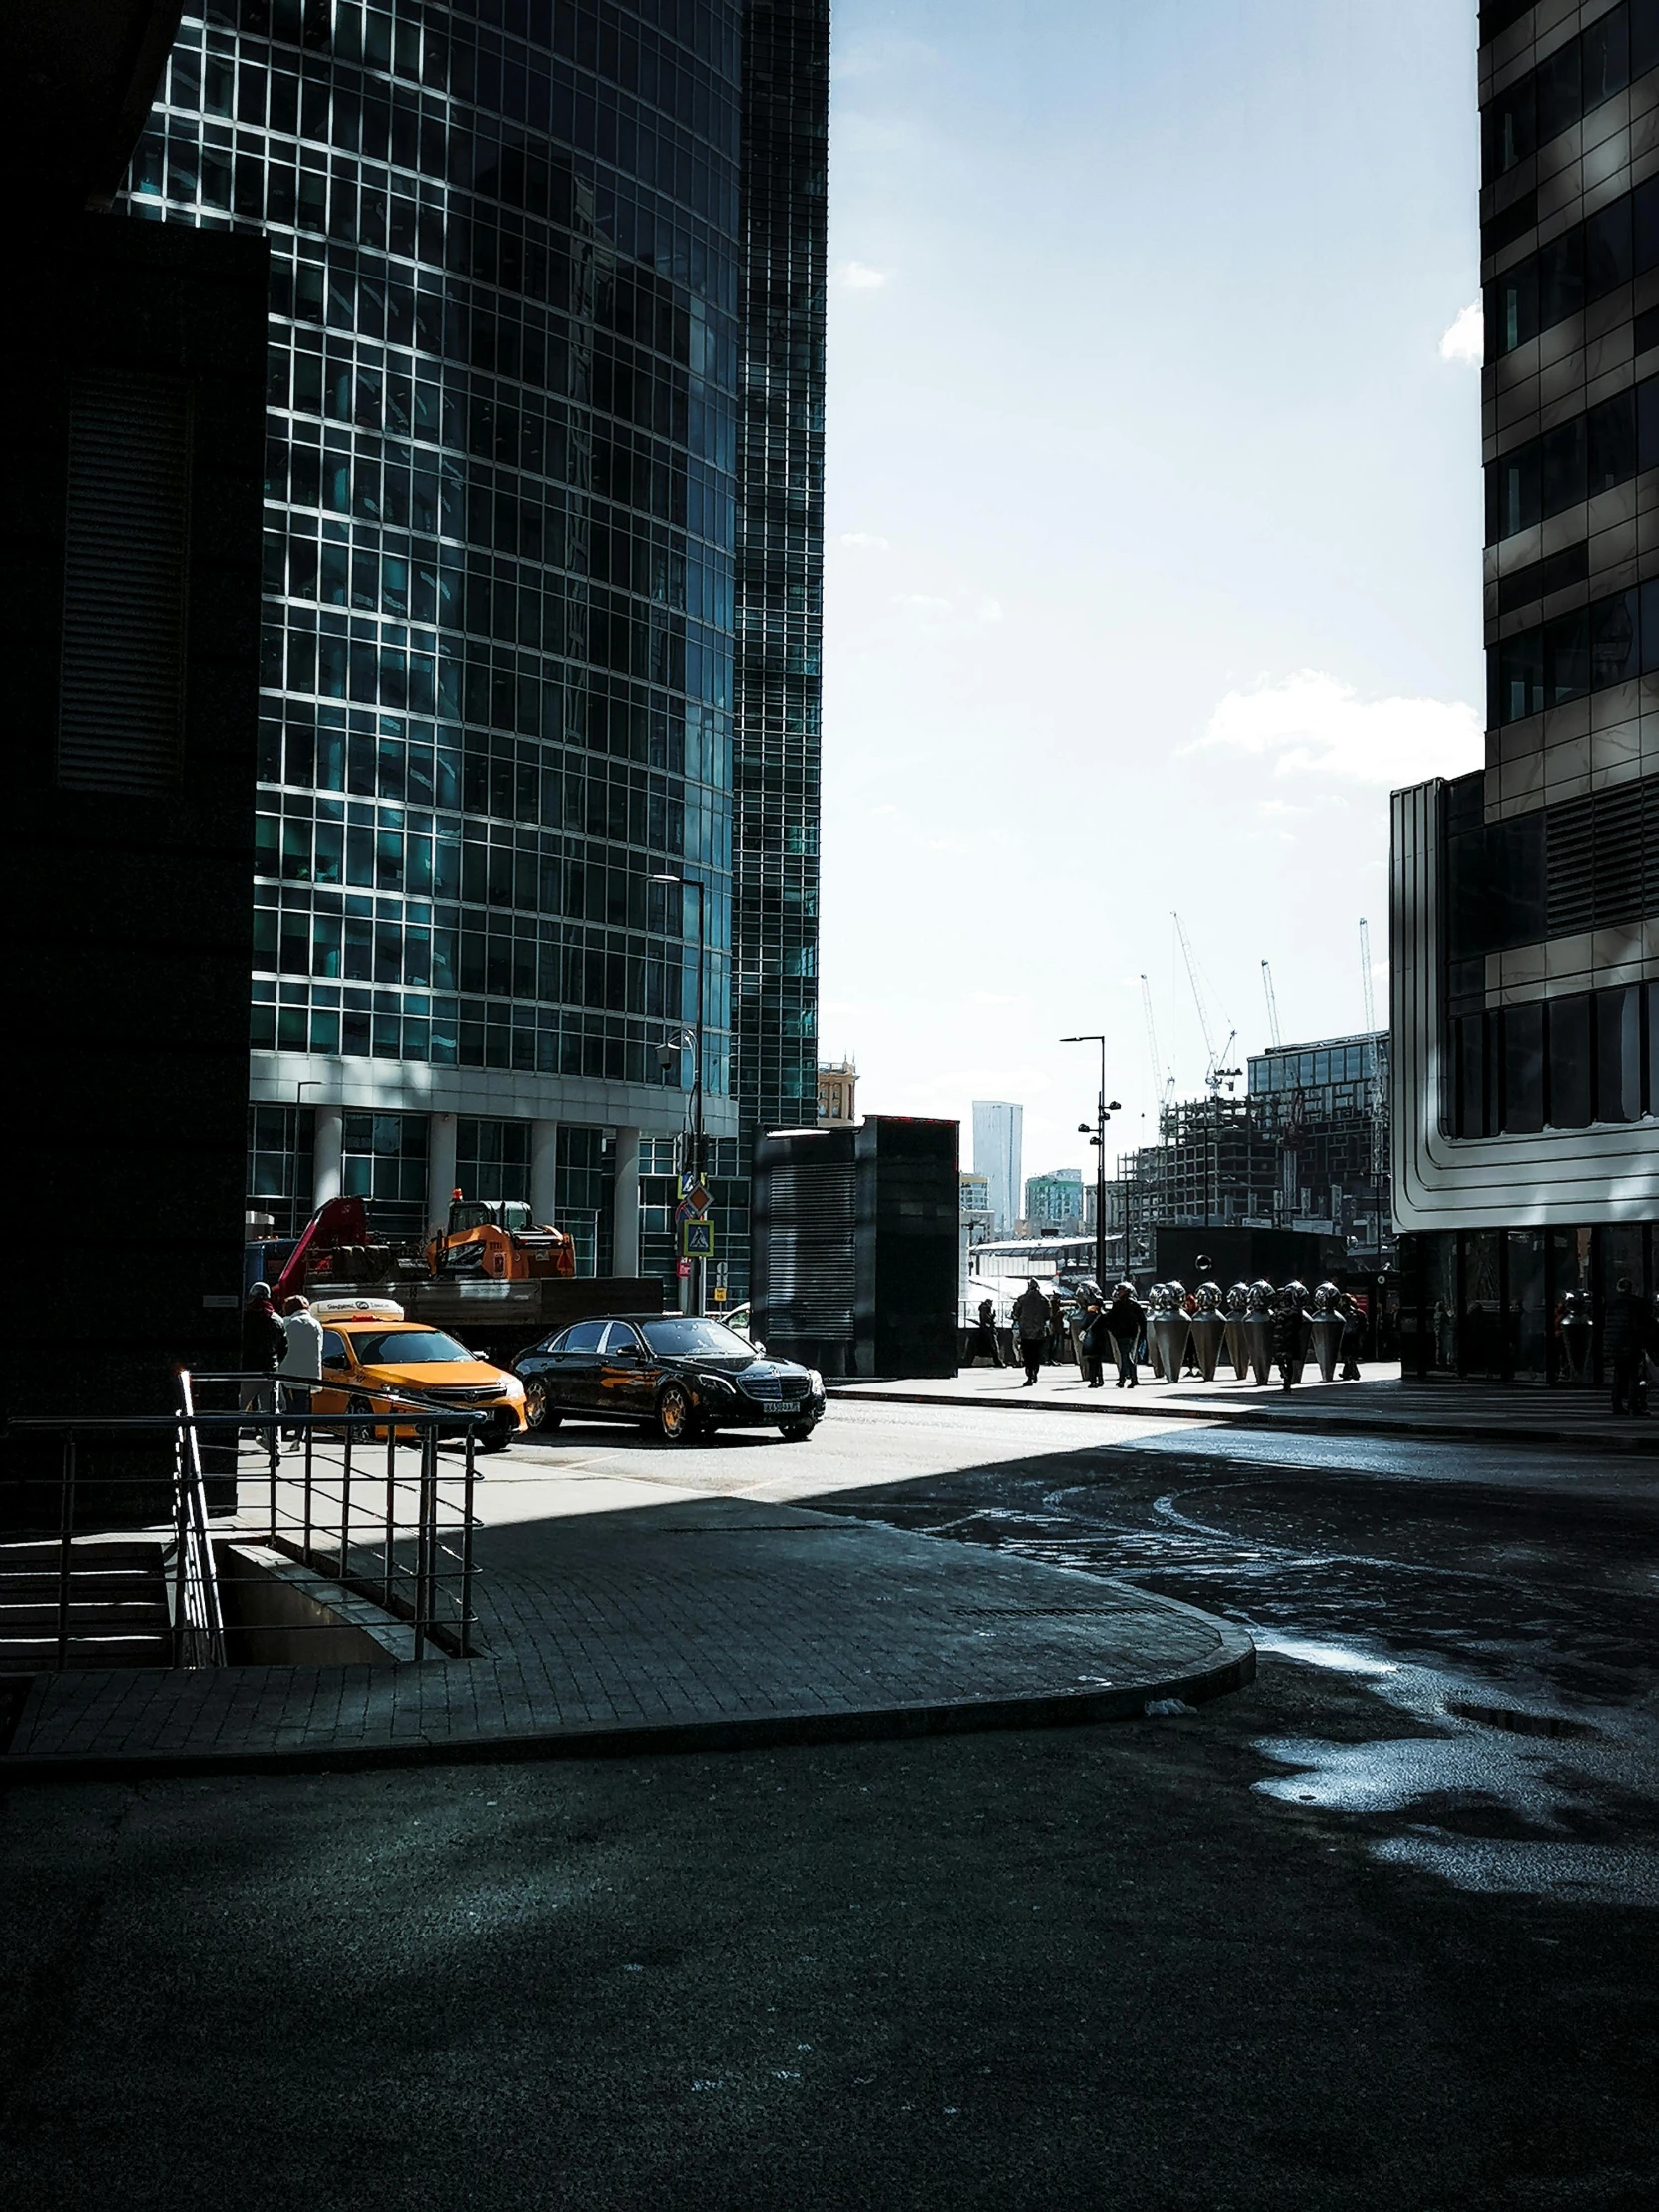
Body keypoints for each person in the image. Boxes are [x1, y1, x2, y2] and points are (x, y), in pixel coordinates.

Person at [278, 1294, 325, 1444]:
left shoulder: (288, 1322)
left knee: (285, 1402)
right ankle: (301, 1433)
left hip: (287, 1370)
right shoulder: (316, 1324)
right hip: (310, 1371)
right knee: (303, 1402)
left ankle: (285, 1428)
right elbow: (321, 1347)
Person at [240, 1282, 288, 1426]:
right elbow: (283, 1347)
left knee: (238, 1408)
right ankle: (273, 1445)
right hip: (269, 1370)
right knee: (271, 1411)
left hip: (247, 1370)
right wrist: (275, 1362)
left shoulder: (244, 1318)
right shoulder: (276, 1319)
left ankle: (230, 1440)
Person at [1603, 1277, 1651, 1417]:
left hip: (1615, 1345)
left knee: (1619, 1374)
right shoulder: (1636, 1304)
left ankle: (1617, 1404)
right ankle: (1633, 1406)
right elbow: (1643, 1325)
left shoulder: (1612, 1304)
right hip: (1631, 1344)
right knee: (1633, 1375)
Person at [1105, 1282, 1145, 1389]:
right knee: (1127, 1355)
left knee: (1126, 1355)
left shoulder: (1123, 1304)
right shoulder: (1132, 1304)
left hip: (1125, 1333)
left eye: (1120, 1290)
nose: (1118, 1293)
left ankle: (1125, 1379)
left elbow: (1110, 1318)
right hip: (1128, 1333)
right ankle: (1132, 1378)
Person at [1012, 1278, 1050, 1386]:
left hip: (1025, 1332)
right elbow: (1048, 1314)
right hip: (1039, 1332)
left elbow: (1015, 1313)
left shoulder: (1022, 1299)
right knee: (1036, 1355)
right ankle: (1035, 1372)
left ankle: (1029, 1375)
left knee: (1028, 1355)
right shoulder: (1044, 1299)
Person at [1079, 1293, 1109, 1387]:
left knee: (1092, 1361)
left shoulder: (1089, 1314)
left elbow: (1083, 1326)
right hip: (1100, 1341)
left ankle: (1093, 1380)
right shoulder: (1103, 1315)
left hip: (1091, 1340)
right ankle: (1100, 1379)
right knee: (1098, 1362)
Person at [1338, 1291, 1364, 1382]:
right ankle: (1347, 1373)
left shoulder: (1344, 1311)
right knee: (1350, 1355)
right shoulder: (1358, 1312)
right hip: (1354, 1336)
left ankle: (1353, 1373)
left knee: (1348, 1355)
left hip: (1347, 1336)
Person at [975, 1295, 1006, 1368]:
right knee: (995, 1346)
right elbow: (987, 1319)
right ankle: (998, 1361)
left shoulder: (983, 1309)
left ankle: (998, 1360)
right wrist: (992, 1317)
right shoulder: (985, 1309)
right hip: (988, 1329)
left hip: (986, 1328)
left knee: (993, 1346)